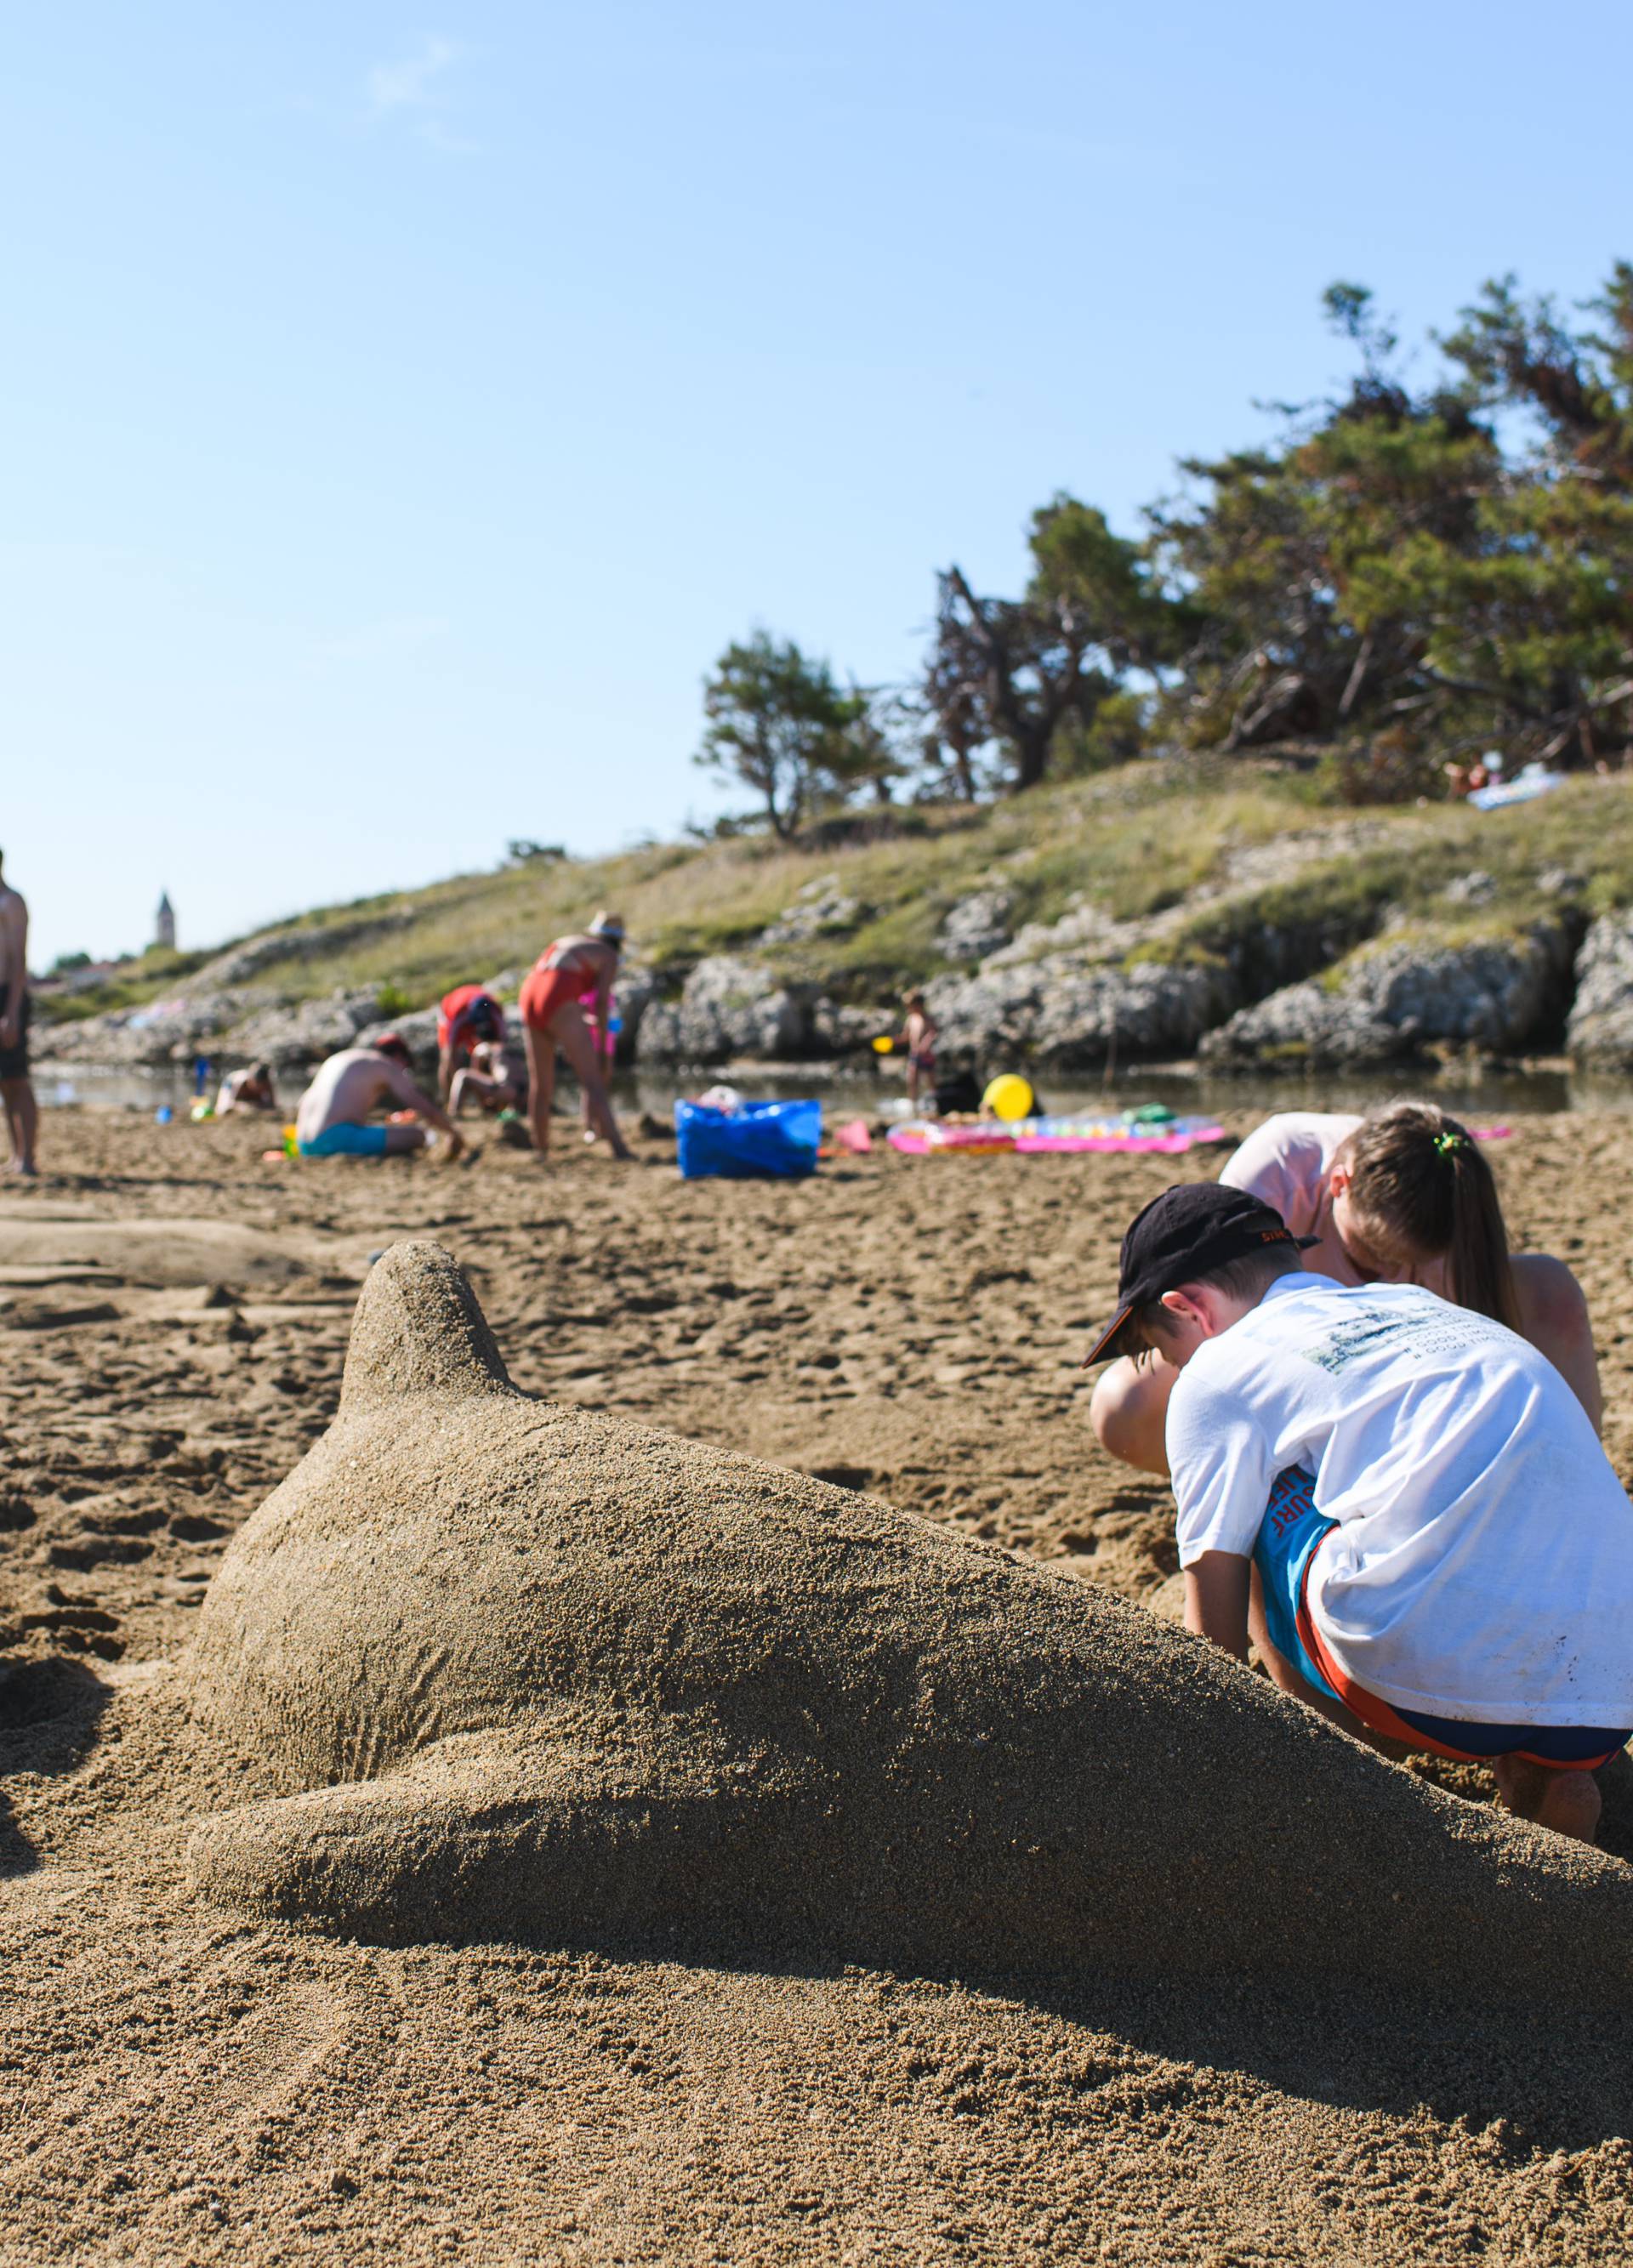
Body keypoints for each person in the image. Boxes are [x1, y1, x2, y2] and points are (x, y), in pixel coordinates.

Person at [1082, 1181, 1633, 1844]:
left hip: (1417, 1677)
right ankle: (1550, 1777)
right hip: (1609, 1683)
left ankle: (1328, 1774)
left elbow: (1214, 1650)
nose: (1179, 1368)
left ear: (1188, 1307)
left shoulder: (1219, 1369)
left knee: (1251, 1490)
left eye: (1168, 1352)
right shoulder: (1417, 1304)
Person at [1090, 1104, 1601, 1475]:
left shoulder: (1443, 1186)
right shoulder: (1280, 1166)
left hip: (1403, 1368)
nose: (1393, 1271)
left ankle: (1583, 1482)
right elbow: (1233, 1346)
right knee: (1122, 1404)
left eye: (1412, 1265)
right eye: (1368, 1261)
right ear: (1339, 1184)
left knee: (1554, 1290)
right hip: (1301, 1351)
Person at [516, 915, 631, 1161]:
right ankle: (619, 1149)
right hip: (556, 994)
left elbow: (558, 979)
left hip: (529, 993)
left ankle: (541, 1148)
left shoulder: (569, 942)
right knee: (593, 1081)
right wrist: (600, 1046)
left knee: (541, 1083)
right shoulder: (608, 956)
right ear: (619, 941)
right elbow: (601, 1003)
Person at [294, 1034, 463, 1161]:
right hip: (330, 1140)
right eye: (406, 1067)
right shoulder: (385, 1065)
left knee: (376, 1129)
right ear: (399, 1057)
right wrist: (453, 1134)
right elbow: (423, 1106)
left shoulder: (343, 1058)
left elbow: (302, 1102)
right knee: (419, 1135)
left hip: (302, 1142)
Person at [0, 850, 37, 1176]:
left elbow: (18, 962)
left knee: (17, 1079)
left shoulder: (11, 902)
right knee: (3, 1082)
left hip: (8, 997)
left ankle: (28, 1157)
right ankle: (15, 1155)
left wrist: (11, 1011)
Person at [436, 986, 506, 1102]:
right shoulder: (459, 1017)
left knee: (491, 1055)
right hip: (450, 1012)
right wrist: (460, 1081)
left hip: (473, 1004)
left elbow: (502, 1050)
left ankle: (489, 1099)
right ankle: (448, 1100)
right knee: (447, 1059)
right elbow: (450, 1052)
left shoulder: (496, 1013)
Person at [449, 1037, 526, 1118]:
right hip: (523, 1093)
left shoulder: (483, 1047)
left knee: (462, 1075)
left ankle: (453, 1112)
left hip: (503, 1089)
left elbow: (476, 1072)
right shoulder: (506, 1047)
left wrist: (484, 1103)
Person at [899, 991, 938, 1109]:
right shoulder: (911, 1019)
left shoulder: (927, 1018)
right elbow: (905, 1037)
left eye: (910, 1006)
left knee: (930, 1080)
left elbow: (933, 1032)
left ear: (919, 1005)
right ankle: (913, 1104)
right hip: (914, 1053)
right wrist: (891, 1042)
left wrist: (926, 1043)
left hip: (926, 1055)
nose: (908, 1008)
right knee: (912, 1079)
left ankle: (935, 1102)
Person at [214, 1061, 278, 1117]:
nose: (259, 1087)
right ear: (251, 1080)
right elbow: (229, 1104)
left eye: (262, 1085)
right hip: (231, 1088)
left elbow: (273, 1105)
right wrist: (247, 1106)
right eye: (256, 1084)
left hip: (250, 1101)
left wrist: (258, 1106)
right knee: (222, 1110)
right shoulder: (240, 1081)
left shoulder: (267, 1083)